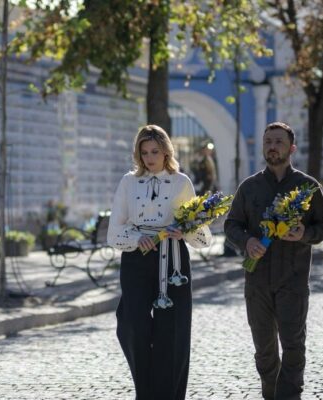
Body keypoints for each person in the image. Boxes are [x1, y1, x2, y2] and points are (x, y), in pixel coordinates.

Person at [225, 122, 323, 400]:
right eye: (268, 142)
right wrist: (246, 242)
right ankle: (269, 391)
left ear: (291, 148)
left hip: (293, 281)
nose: (272, 146)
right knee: (264, 350)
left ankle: (289, 396)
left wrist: (304, 234)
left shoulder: (307, 187)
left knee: (294, 345)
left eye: (278, 142)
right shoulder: (248, 187)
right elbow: (232, 224)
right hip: (257, 282)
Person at [107, 125, 211, 400]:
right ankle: (146, 391)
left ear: (166, 152)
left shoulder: (181, 182)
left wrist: (184, 231)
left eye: (155, 151)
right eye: (144, 152)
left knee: (173, 331)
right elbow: (113, 233)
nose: (150, 157)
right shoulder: (128, 182)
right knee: (131, 324)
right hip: (136, 257)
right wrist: (136, 237)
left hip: (174, 259)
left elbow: (203, 237)